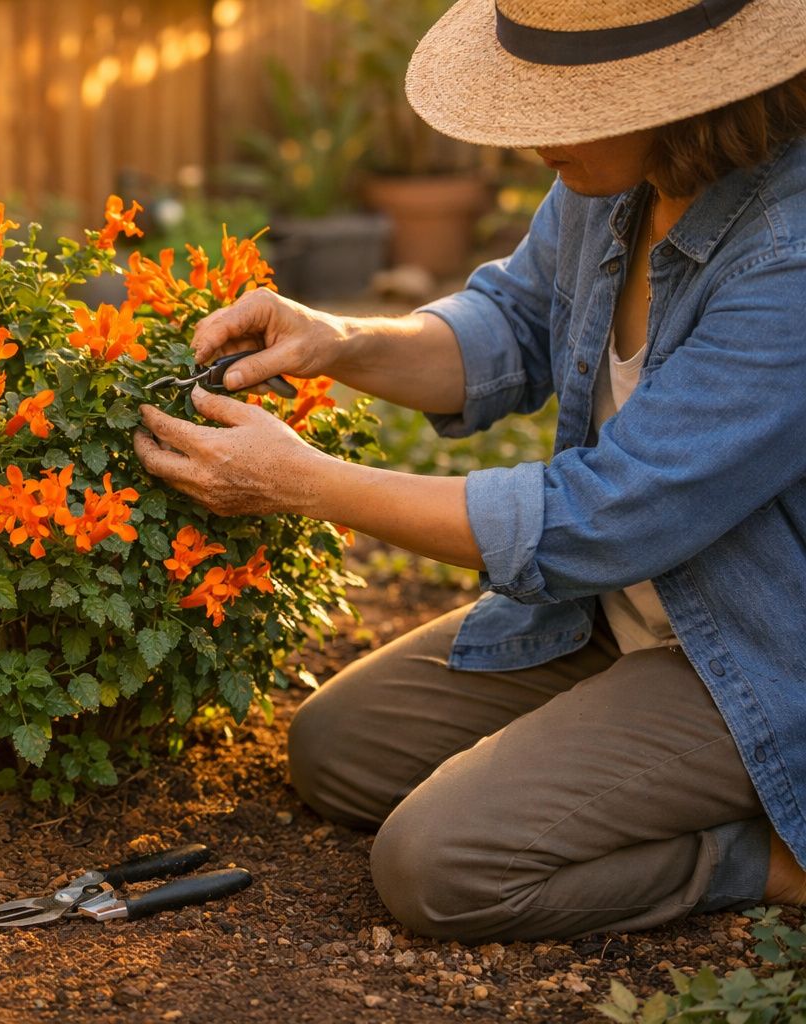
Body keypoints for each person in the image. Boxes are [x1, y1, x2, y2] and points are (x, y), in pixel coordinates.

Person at [133, 0, 806, 943]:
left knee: (439, 863)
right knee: (339, 753)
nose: (528, 134)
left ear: (678, 98)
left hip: (761, 651)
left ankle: (774, 858)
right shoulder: (613, 182)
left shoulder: (789, 257)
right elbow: (511, 326)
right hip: (622, 612)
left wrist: (309, 483)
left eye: (561, 99)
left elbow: (607, 519)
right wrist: (336, 339)